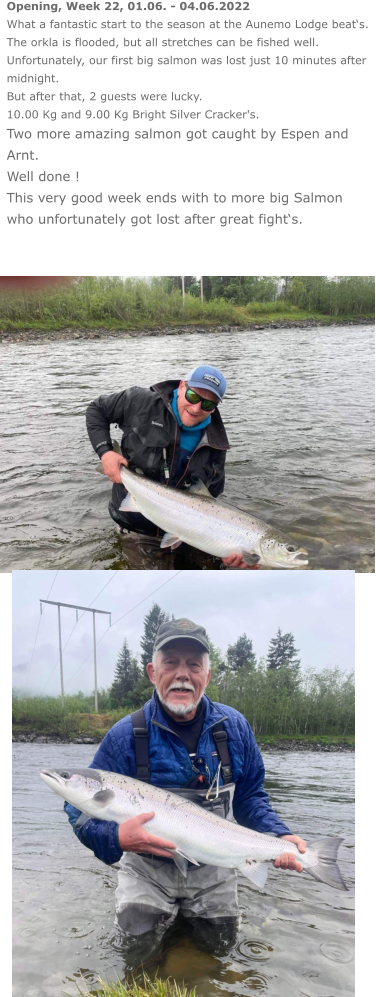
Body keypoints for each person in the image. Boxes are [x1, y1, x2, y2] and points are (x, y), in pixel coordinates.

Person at [64, 617, 306, 967]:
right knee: (135, 954)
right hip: (147, 871)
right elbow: (78, 812)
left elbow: (251, 797)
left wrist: (280, 836)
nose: (182, 674)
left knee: (218, 951)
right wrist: (117, 837)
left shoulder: (234, 728)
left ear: (207, 675)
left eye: (194, 665)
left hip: (216, 864)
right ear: (152, 671)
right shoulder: (124, 736)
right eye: (171, 663)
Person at [86, 365, 259, 569]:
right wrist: (105, 452)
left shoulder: (217, 444)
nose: (196, 409)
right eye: (193, 397)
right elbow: (96, 409)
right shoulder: (140, 401)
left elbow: (211, 500)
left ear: (215, 407)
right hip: (138, 525)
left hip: (187, 531)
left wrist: (222, 549)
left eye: (207, 404)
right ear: (181, 386)